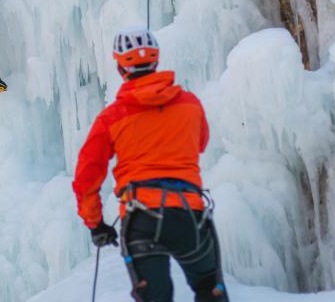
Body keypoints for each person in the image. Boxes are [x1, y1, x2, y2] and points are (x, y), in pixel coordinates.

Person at [72, 26, 229, 302]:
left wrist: (96, 225)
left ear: (121, 68)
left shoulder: (112, 117)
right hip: (189, 214)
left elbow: (87, 175)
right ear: (156, 61)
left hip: (142, 218)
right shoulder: (190, 104)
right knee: (209, 290)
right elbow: (200, 144)